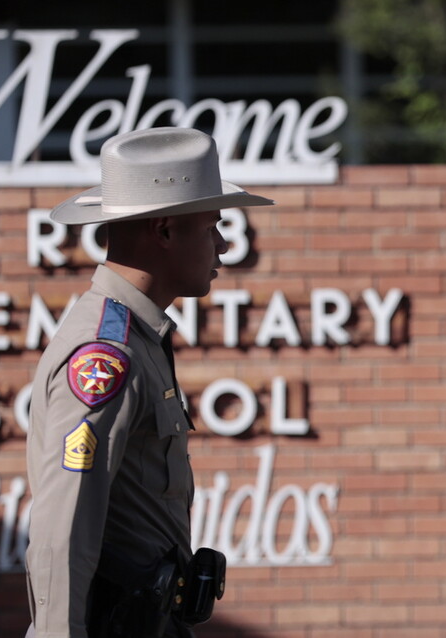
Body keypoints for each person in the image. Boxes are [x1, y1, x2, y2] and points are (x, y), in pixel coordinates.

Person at [25, 127, 274, 638]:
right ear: (164, 230)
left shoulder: (138, 336)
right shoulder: (106, 354)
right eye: (212, 227)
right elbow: (64, 526)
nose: (224, 246)